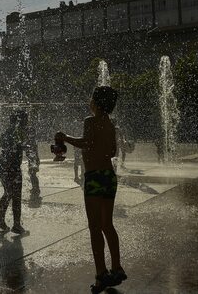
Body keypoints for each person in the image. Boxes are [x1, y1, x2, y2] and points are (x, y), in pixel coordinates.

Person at [56, 86, 127, 291]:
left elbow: (86, 143)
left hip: (94, 177)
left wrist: (65, 137)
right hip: (109, 177)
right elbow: (113, 150)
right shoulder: (111, 124)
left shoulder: (90, 121)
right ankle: (117, 267)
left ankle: (100, 275)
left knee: (95, 228)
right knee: (108, 225)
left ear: (95, 102)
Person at [25, 124, 41, 204]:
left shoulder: (32, 141)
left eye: (30, 132)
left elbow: (33, 151)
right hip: (32, 160)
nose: (29, 134)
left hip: (33, 160)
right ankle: (35, 187)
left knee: (33, 174)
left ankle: (36, 187)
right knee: (32, 174)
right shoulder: (31, 140)